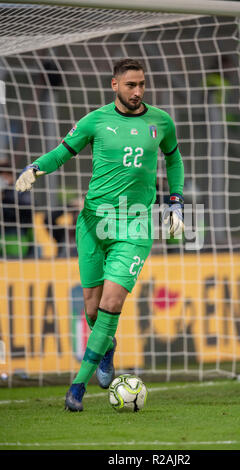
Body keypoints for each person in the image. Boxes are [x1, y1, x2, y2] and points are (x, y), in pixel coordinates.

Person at [15, 58, 185, 412]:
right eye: (130, 85)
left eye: (142, 84)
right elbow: (62, 153)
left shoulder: (161, 122)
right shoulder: (95, 120)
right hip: (93, 223)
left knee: (111, 304)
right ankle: (107, 348)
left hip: (135, 225)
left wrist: (175, 201)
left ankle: (77, 388)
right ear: (114, 86)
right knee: (92, 310)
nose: (138, 91)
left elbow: (174, 158)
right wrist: (35, 167)